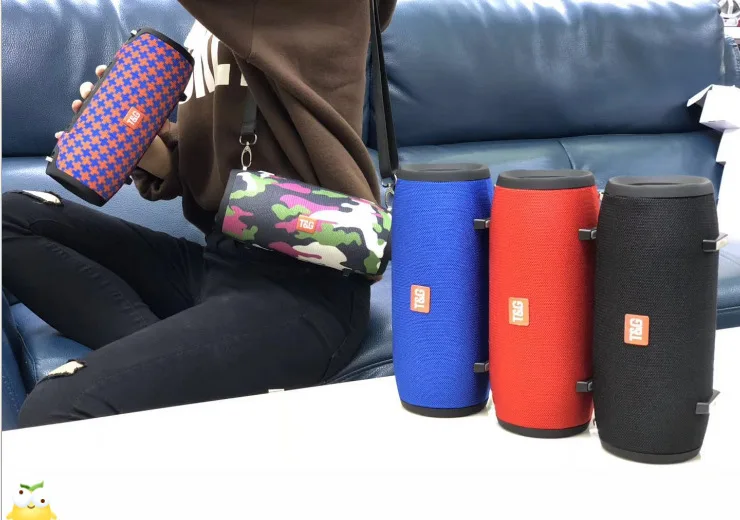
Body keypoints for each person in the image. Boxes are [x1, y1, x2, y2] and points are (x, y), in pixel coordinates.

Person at [2, 0, 396, 427]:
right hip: (220, 263)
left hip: (305, 291)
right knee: (12, 218)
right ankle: (169, 363)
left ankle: (166, 369)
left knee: (58, 407)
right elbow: (228, 165)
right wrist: (158, 153)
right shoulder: (218, 24)